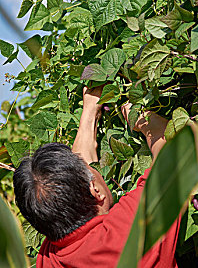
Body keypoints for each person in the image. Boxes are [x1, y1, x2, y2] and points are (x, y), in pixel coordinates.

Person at [13, 86, 180, 268]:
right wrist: (144, 122)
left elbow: (75, 178)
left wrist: (90, 110)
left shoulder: (50, 259)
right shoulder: (126, 233)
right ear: (95, 190)